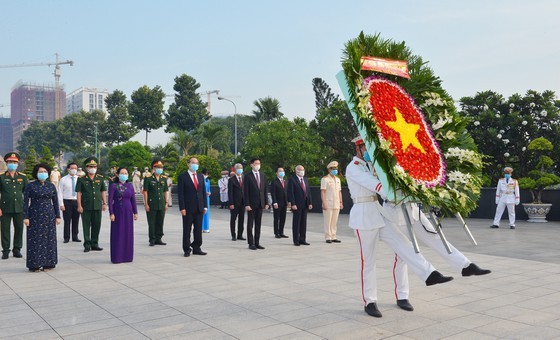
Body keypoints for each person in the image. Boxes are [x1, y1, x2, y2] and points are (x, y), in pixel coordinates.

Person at [346, 136, 453, 318]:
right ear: (358, 149)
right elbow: (376, 185)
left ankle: (429, 274)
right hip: (363, 216)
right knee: (368, 261)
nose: (368, 152)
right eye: (365, 148)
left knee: (404, 245)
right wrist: (395, 190)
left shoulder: (372, 165)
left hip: (378, 212)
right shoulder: (353, 168)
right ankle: (370, 301)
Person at [389, 202, 491, 311]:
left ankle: (466, 266)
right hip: (396, 211)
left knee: (436, 237)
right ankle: (402, 296)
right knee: (402, 255)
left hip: (413, 209)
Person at [23, 164, 61, 272]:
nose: (43, 173)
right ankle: (35, 264)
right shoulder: (30, 186)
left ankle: (48, 263)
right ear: (36, 173)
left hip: (49, 215)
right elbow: (25, 202)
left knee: (49, 239)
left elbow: (55, 202)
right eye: (41, 171)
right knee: (35, 239)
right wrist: (25, 217)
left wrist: (57, 216)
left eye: (45, 171)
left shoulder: (51, 186)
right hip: (34, 215)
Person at [0, 152, 28, 260]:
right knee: (5, 230)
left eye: (15, 162)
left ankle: (17, 249)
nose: (13, 164)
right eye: (10, 162)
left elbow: (26, 194)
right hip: (5, 208)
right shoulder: (2, 177)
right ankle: (5, 250)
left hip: (19, 208)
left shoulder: (22, 178)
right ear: (6, 163)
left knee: (19, 229)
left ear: (18, 164)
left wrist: (26, 208)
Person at [76, 157, 107, 252]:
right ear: (86, 168)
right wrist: (79, 205)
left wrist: (105, 203)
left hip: (97, 205)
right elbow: (79, 193)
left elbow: (103, 191)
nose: (93, 168)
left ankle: (95, 243)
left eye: (94, 166)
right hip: (86, 206)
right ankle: (87, 244)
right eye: (90, 166)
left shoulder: (100, 178)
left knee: (96, 225)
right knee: (86, 226)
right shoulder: (81, 179)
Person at [178, 157, 207, 257]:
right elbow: (180, 194)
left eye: (197, 163)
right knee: (187, 229)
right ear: (188, 164)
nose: (195, 164)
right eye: (193, 162)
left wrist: (205, 206)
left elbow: (203, 192)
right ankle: (186, 249)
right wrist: (182, 208)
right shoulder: (182, 177)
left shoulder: (200, 176)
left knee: (198, 229)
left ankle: (197, 247)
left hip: (199, 207)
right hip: (188, 208)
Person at [108, 167, 138, 263]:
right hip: (117, 212)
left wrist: (135, 212)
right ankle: (117, 257)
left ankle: (127, 256)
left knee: (128, 233)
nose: (124, 174)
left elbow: (133, 200)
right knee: (118, 233)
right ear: (117, 174)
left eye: (126, 173)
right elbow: (110, 200)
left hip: (128, 212)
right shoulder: (113, 186)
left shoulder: (130, 186)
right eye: (122, 173)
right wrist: (111, 213)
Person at [243, 158, 269, 250]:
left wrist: (266, 202)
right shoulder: (247, 176)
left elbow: (265, 190)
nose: (258, 165)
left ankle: (257, 242)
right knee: (250, 224)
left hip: (260, 203)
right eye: (256, 163)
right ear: (251, 165)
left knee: (258, 224)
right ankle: (251, 243)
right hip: (251, 204)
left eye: (259, 163)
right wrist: (247, 204)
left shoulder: (262, 175)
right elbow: (245, 191)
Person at [143, 159, 169, 246]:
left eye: (161, 167)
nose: (160, 169)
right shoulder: (148, 178)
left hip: (161, 203)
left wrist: (166, 202)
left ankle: (159, 238)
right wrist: (146, 204)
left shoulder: (164, 178)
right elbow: (145, 191)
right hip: (152, 203)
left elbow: (166, 191)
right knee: (152, 222)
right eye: (158, 167)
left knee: (160, 221)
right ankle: (152, 239)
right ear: (153, 168)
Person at [287, 165, 313, 246]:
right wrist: (293, 203)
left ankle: (303, 239)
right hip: (297, 204)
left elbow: (308, 192)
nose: (302, 171)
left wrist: (310, 203)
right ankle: (296, 240)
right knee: (296, 222)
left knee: (303, 222)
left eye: (303, 169)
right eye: (301, 170)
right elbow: (290, 193)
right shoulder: (292, 180)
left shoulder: (305, 179)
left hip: (305, 203)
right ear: (296, 171)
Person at [57, 162, 81, 243]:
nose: (74, 170)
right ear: (68, 169)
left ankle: (75, 236)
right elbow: (60, 192)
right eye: (72, 168)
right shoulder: (63, 179)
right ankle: (66, 237)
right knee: (67, 221)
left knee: (76, 220)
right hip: (67, 201)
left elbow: (81, 192)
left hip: (76, 201)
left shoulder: (79, 179)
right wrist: (61, 204)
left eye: (75, 168)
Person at [321, 161, 343, 243]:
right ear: (329, 170)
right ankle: (328, 237)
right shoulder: (325, 179)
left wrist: (341, 202)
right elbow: (323, 192)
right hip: (328, 203)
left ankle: (334, 236)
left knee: (334, 221)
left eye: (336, 168)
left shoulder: (338, 179)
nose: (335, 170)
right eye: (333, 169)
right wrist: (324, 203)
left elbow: (339, 191)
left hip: (336, 203)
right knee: (328, 221)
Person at [270, 167, 289, 239]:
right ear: (276, 173)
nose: (282, 172)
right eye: (280, 171)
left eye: (283, 171)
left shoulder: (286, 181)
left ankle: (281, 232)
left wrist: (289, 201)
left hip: (284, 202)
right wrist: (274, 202)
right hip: (277, 203)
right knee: (276, 218)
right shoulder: (274, 182)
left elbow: (287, 192)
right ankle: (276, 232)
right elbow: (273, 193)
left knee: (283, 218)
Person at [228, 163, 245, 241]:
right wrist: (231, 203)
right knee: (233, 219)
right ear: (235, 169)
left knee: (241, 219)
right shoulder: (231, 180)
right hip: (234, 203)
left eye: (241, 168)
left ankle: (240, 234)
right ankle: (233, 235)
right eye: (238, 168)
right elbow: (230, 192)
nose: (240, 169)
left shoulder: (244, 179)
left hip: (243, 203)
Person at [202, 169, 211, 233]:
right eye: (205, 174)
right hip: (201, 197)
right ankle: (200, 227)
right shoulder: (200, 180)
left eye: (207, 174)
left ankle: (206, 227)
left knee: (206, 213)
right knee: (201, 212)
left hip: (207, 198)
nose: (206, 175)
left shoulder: (208, 180)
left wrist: (209, 192)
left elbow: (209, 189)